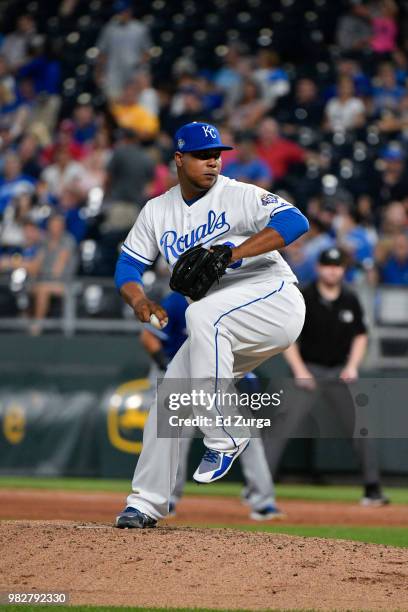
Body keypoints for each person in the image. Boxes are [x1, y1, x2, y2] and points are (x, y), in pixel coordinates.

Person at [113, 121, 308, 528]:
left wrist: (232, 253)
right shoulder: (158, 211)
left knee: (201, 313)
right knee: (171, 396)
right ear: (179, 159)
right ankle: (146, 502)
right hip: (222, 324)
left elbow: (295, 222)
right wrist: (138, 299)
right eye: (203, 155)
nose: (213, 161)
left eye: (217, 153)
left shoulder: (238, 194)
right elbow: (128, 264)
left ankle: (225, 434)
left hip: (273, 300)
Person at [140, 291, 284, 521]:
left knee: (247, 435)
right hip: (182, 379)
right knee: (174, 437)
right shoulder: (178, 301)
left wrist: (246, 377)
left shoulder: (232, 299)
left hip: (217, 378)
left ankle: (263, 501)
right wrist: (168, 367)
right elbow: (148, 337)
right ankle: (167, 498)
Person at [266, 247, 388, 507]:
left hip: (337, 373)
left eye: (337, 266)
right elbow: (288, 337)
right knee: (281, 428)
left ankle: (372, 489)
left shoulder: (350, 298)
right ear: (319, 268)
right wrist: (299, 371)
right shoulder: (304, 296)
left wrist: (353, 366)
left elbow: (360, 335)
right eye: (328, 265)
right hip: (307, 371)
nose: (333, 270)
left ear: (342, 270)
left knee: (361, 429)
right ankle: (259, 489)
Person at [96, 0, 152, 99]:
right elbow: (102, 53)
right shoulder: (109, 29)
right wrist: (99, 72)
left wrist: (140, 67)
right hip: (113, 73)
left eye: (123, 11)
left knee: (135, 101)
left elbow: (147, 52)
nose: (121, 14)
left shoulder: (139, 28)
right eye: (119, 12)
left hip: (133, 72)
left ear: (129, 11)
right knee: (114, 102)